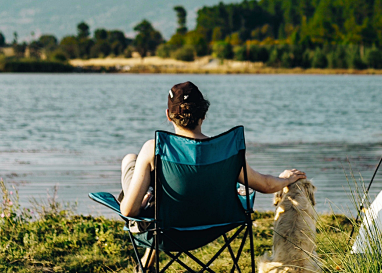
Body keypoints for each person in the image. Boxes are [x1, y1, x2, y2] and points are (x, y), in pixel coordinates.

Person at [119, 80, 306, 218]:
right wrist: (286, 179)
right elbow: (265, 185)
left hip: (165, 229)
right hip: (213, 227)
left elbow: (129, 211)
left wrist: (139, 204)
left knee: (130, 160)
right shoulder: (226, 149)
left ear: (169, 115)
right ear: (204, 114)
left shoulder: (154, 148)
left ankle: (147, 197)